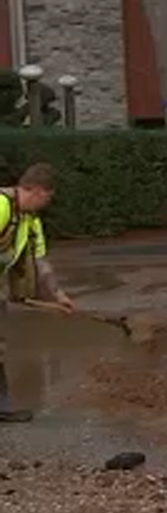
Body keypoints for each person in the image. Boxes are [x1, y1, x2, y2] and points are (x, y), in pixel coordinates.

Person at [0, 163, 73, 424]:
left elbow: (40, 261)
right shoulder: (2, 206)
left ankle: (2, 407)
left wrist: (58, 295)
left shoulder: (31, 222)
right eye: (48, 196)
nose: (47, 202)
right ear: (37, 191)